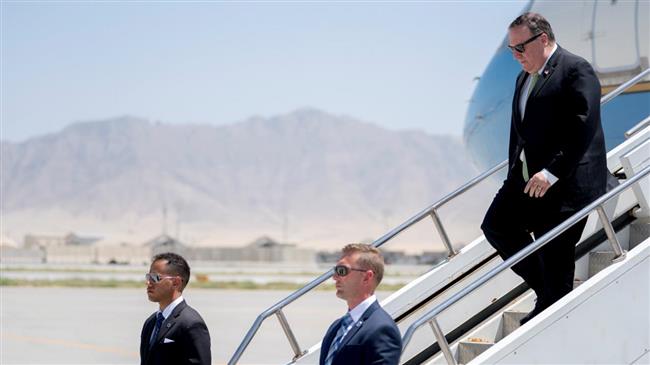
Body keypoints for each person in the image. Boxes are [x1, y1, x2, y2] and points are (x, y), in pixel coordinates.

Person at [481, 12, 610, 326]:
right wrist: (517, 171)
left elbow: (584, 124)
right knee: (497, 226)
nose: (516, 56)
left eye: (520, 48)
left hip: (567, 184)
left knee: (557, 255)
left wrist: (553, 171)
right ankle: (552, 292)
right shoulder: (524, 77)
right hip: (529, 179)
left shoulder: (575, 69)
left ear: (542, 39)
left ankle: (552, 302)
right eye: (511, 50)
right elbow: (524, 132)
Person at [319, 243, 402, 365]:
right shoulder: (336, 327)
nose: (335, 277)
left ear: (367, 277)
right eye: (335, 270)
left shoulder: (382, 329)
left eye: (342, 270)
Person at [140, 252, 211, 365]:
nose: (149, 283)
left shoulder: (191, 323)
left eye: (155, 278)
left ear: (176, 282)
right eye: (148, 277)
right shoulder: (151, 322)